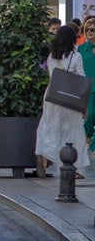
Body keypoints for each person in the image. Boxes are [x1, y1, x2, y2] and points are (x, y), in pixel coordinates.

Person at [34, 24, 89, 178]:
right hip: (70, 97)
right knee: (71, 130)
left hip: (52, 95)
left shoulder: (51, 56)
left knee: (50, 126)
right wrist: (84, 105)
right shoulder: (76, 56)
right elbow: (81, 79)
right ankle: (73, 167)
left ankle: (44, 155)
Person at [79, 16, 95, 150]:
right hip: (87, 87)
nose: (90, 32)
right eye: (87, 29)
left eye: (93, 30)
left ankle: (94, 146)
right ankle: (88, 135)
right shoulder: (81, 49)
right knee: (90, 115)